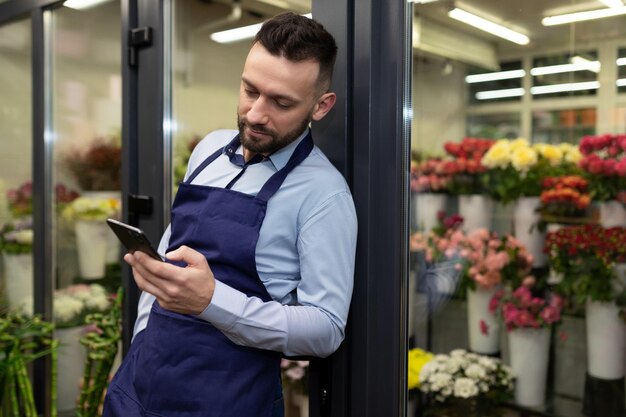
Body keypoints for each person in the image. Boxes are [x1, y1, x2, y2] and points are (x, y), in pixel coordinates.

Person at [102, 11, 358, 417]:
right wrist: (135, 351)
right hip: (140, 386)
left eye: (281, 102)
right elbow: (172, 253)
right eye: (250, 90)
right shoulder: (208, 150)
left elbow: (326, 329)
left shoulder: (324, 194)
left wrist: (211, 300)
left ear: (320, 106)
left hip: (230, 400)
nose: (256, 113)